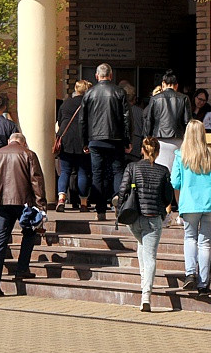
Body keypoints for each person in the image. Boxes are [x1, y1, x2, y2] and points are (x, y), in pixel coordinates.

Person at [0, 133, 46, 297]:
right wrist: (41, 207)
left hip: (1, 203)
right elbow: (36, 181)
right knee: (30, 234)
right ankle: (22, 268)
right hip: (24, 203)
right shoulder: (28, 154)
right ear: (24, 143)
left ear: (9, 141)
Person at [118, 137, 173, 311]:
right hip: (152, 218)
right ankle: (146, 296)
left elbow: (122, 191)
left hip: (133, 218)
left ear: (142, 150)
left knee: (141, 246)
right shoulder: (163, 171)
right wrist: (163, 211)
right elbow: (168, 197)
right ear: (157, 152)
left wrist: (120, 210)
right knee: (150, 256)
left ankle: (143, 283)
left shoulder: (132, 167)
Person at [80, 63, 131, 221]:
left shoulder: (89, 93)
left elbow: (82, 120)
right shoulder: (119, 92)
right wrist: (127, 140)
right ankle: (118, 199)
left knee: (98, 174)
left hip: (95, 139)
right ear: (111, 75)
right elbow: (126, 118)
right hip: (116, 139)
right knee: (118, 171)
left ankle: (100, 210)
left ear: (97, 76)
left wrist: (84, 142)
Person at [171, 119, 211, 295]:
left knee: (190, 238)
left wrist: (178, 203)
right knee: (205, 243)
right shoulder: (209, 155)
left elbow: (174, 181)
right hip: (209, 203)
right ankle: (203, 283)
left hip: (189, 203)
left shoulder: (180, 155)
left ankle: (189, 274)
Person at [143, 69, 191, 172]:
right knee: (176, 170)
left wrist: (147, 137)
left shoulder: (155, 98)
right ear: (176, 85)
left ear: (163, 84)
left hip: (159, 138)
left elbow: (149, 121)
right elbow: (188, 122)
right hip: (178, 138)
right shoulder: (184, 98)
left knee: (160, 169)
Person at [55, 80, 92, 212]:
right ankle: (83, 203)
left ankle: (61, 199)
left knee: (65, 171)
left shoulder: (66, 103)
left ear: (76, 90)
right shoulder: (89, 104)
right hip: (83, 141)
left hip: (66, 140)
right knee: (83, 172)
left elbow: (59, 121)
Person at [123, 84, 144, 165]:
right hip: (137, 145)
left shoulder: (120, 110)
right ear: (134, 98)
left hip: (123, 145)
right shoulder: (141, 112)